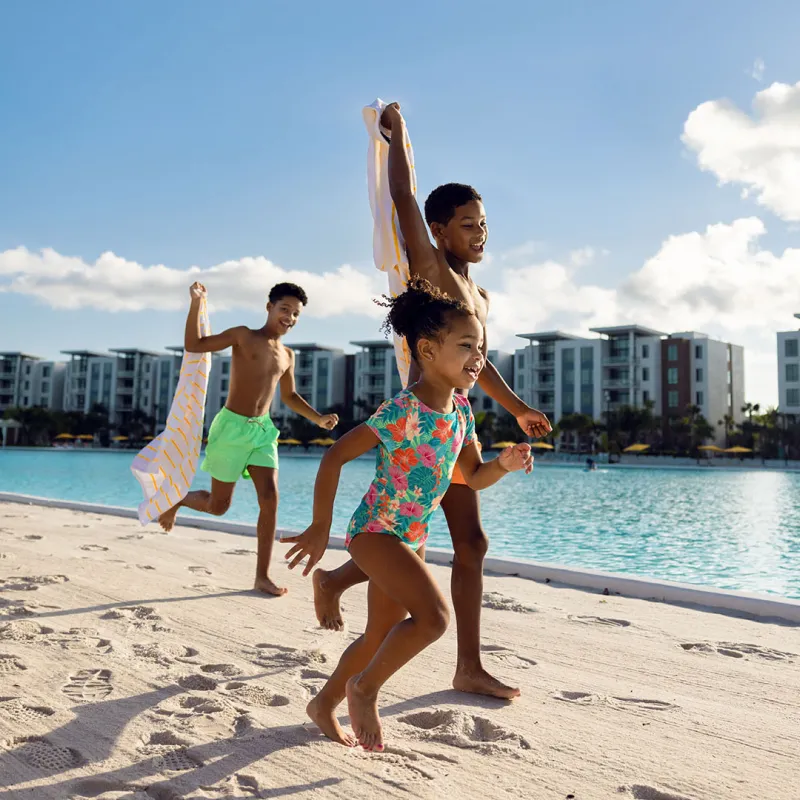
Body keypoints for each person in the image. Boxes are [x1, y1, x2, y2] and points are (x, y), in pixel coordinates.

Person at [311, 101, 551, 699]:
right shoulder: (431, 269)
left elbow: (479, 362)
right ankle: (448, 654)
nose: (480, 233)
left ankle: (354, 588)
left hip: (456, 421)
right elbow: (403, 197)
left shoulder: (478, 294)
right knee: (434, 536)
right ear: (441, 231)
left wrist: (516, 408)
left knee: (464, 540)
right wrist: (396, 139)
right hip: (425, 422)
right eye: (468, 224)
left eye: (484, 223)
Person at [283, 278, 533, 750]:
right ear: (427, 349)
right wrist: (320, 525)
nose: (477, 357)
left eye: (480, 347)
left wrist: (502, 464)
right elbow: (335, 455)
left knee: (378, 635)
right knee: (434, 619)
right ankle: (364, 688)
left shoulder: (461, 413)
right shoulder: (401, 411)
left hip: (410, 537)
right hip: (375, 533)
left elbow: (473, 477)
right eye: (465, 346)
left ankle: (323, 703)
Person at [157, 281, 338, 596]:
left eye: (296, 314)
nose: (290, 318)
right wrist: (197, 303)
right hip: (231, 429)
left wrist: (318, 417)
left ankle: (262, 576)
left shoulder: (288, 355)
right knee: (218, 506)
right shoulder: (243, 335)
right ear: (269, 308)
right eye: (285, 310)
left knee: (270, 500)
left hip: (263, 432)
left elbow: (290, 395)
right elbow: (194, 344)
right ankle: (179, 499)